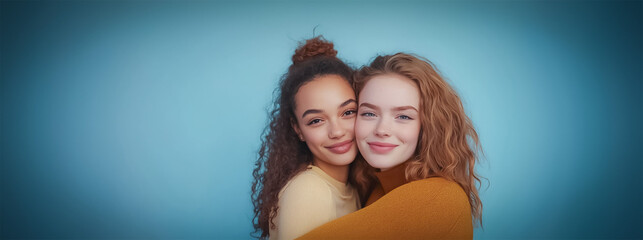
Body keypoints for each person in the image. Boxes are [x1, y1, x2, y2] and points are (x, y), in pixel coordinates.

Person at [299, 53, 483, 239]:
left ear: (428, 127)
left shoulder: (439, 197)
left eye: (403, 116)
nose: (382, 130)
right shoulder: (375, 191)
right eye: (369, 113)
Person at [251, 36, 360, 240]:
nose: (336, 131)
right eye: (316, 120)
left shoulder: (352, 186)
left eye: (347, 112)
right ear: (298, 129)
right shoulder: (309, 191)